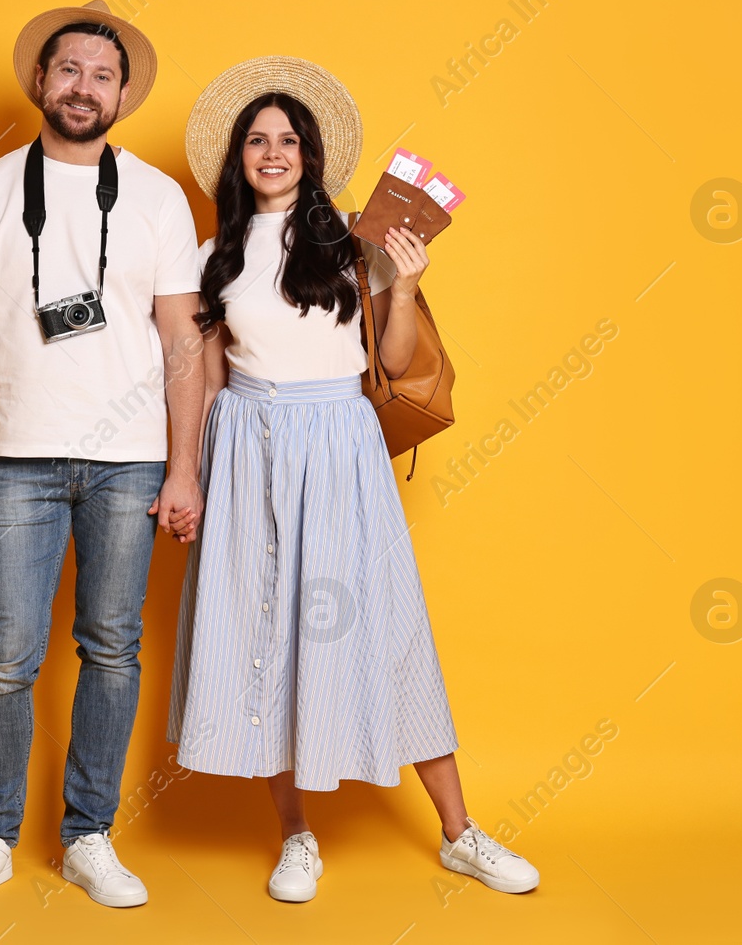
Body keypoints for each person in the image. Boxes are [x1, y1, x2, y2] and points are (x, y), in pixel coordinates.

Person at [165, 56, 539, 902]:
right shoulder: (211, 255)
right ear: (236, 158)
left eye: (287, 140)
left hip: (341, 442)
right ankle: (296, 833)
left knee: (391, 627)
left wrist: (403, 285)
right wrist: (190, 473)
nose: (272, 152)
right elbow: (208, 375)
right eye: (257, 140)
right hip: (248, 446)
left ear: (311, 154)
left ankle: (460, 832)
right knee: (265, 634)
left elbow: (394, 362)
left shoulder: (348, 241)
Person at [0, 0, 205, 910]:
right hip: (18, 458)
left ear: (123, 92)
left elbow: (184, 340)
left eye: (103, 74)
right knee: (6, 654)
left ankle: (90, 832)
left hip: (131, 461)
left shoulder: (158, 198)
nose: (84, 87)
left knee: (113, 647)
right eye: (69, 71)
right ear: (41, 82)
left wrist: (184, 468)